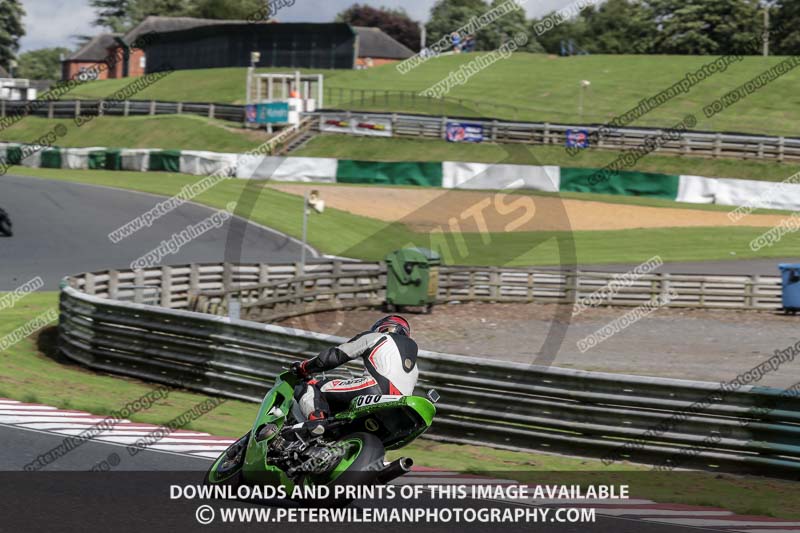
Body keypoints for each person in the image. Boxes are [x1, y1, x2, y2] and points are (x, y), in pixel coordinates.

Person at [289, 315, 419, 430]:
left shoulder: (377, 337)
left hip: (374, 390)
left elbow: (334, 357)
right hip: (399, 409)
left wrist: (304, 367)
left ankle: (316, 424)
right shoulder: (415, 368)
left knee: (313, 387)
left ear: (383, 327)